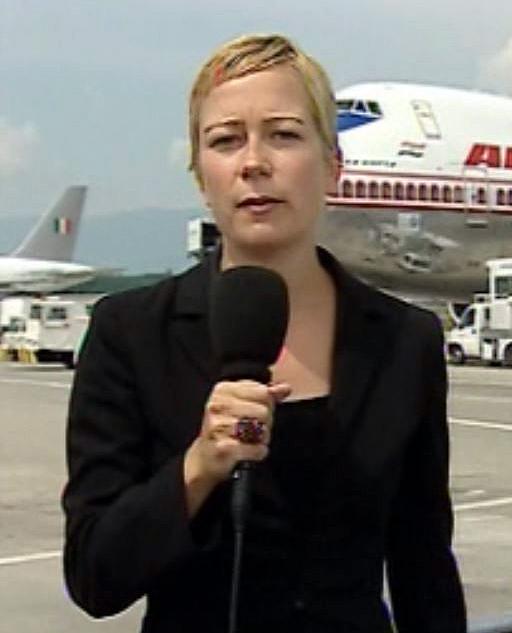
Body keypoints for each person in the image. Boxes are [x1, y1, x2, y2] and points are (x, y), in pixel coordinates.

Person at [62, 34, 466, 633]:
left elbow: (424, 566)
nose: (254, 161)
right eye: (225, 140)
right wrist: (199, 466)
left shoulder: (404, 341)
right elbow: (95, 576)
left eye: (284, 134)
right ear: (202, 175)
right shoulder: (131, 333)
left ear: (332, 165)